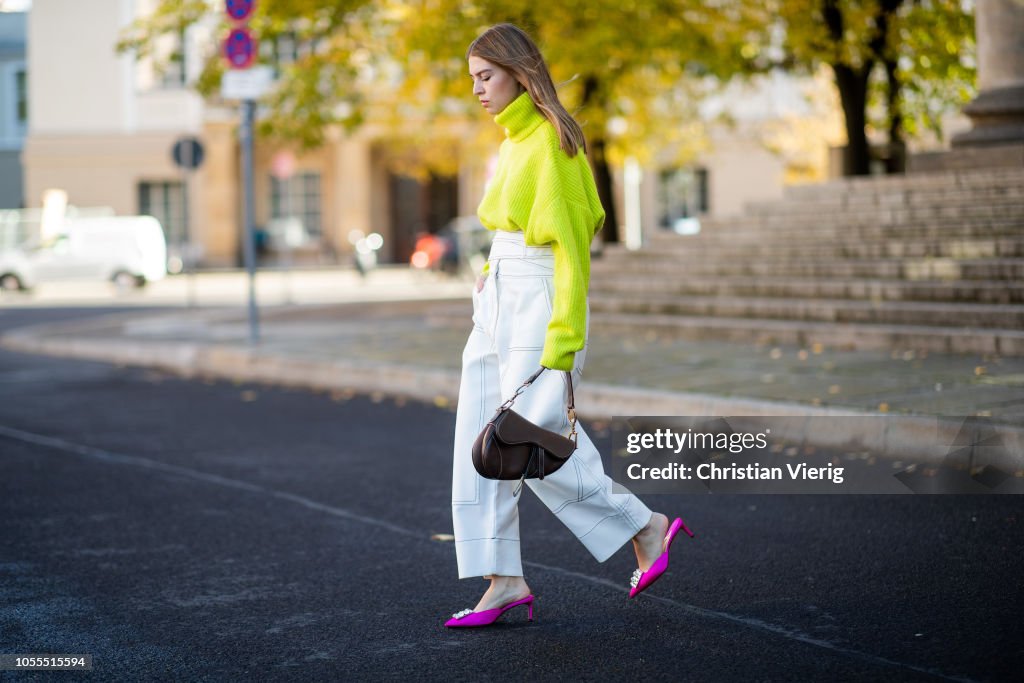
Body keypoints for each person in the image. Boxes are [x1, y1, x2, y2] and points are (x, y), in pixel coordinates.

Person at [446, 24, 694, 629]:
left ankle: (644, 525)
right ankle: (502, 580)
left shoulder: (555, 144)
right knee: (479, 446)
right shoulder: (511, 143)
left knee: (527, 439)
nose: (478, 90)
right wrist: (488, 271)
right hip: (500, 294)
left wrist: (564, 339)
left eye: (486, 76)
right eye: (473, 79)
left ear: (518, 72)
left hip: (538, 301)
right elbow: (508, 226)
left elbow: (572, 254)